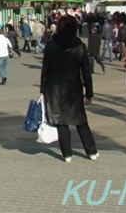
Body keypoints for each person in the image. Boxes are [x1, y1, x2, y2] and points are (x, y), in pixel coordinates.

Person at [39, 14, 98, 163]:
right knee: (80, 120)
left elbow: (45, 68)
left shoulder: (51, 45)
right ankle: (91, 151)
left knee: (61, 121)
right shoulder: (79, 46)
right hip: (74, 88)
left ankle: (67, 154)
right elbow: (86, 71)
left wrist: (43, 88)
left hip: (54, 87)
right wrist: (89, 92)